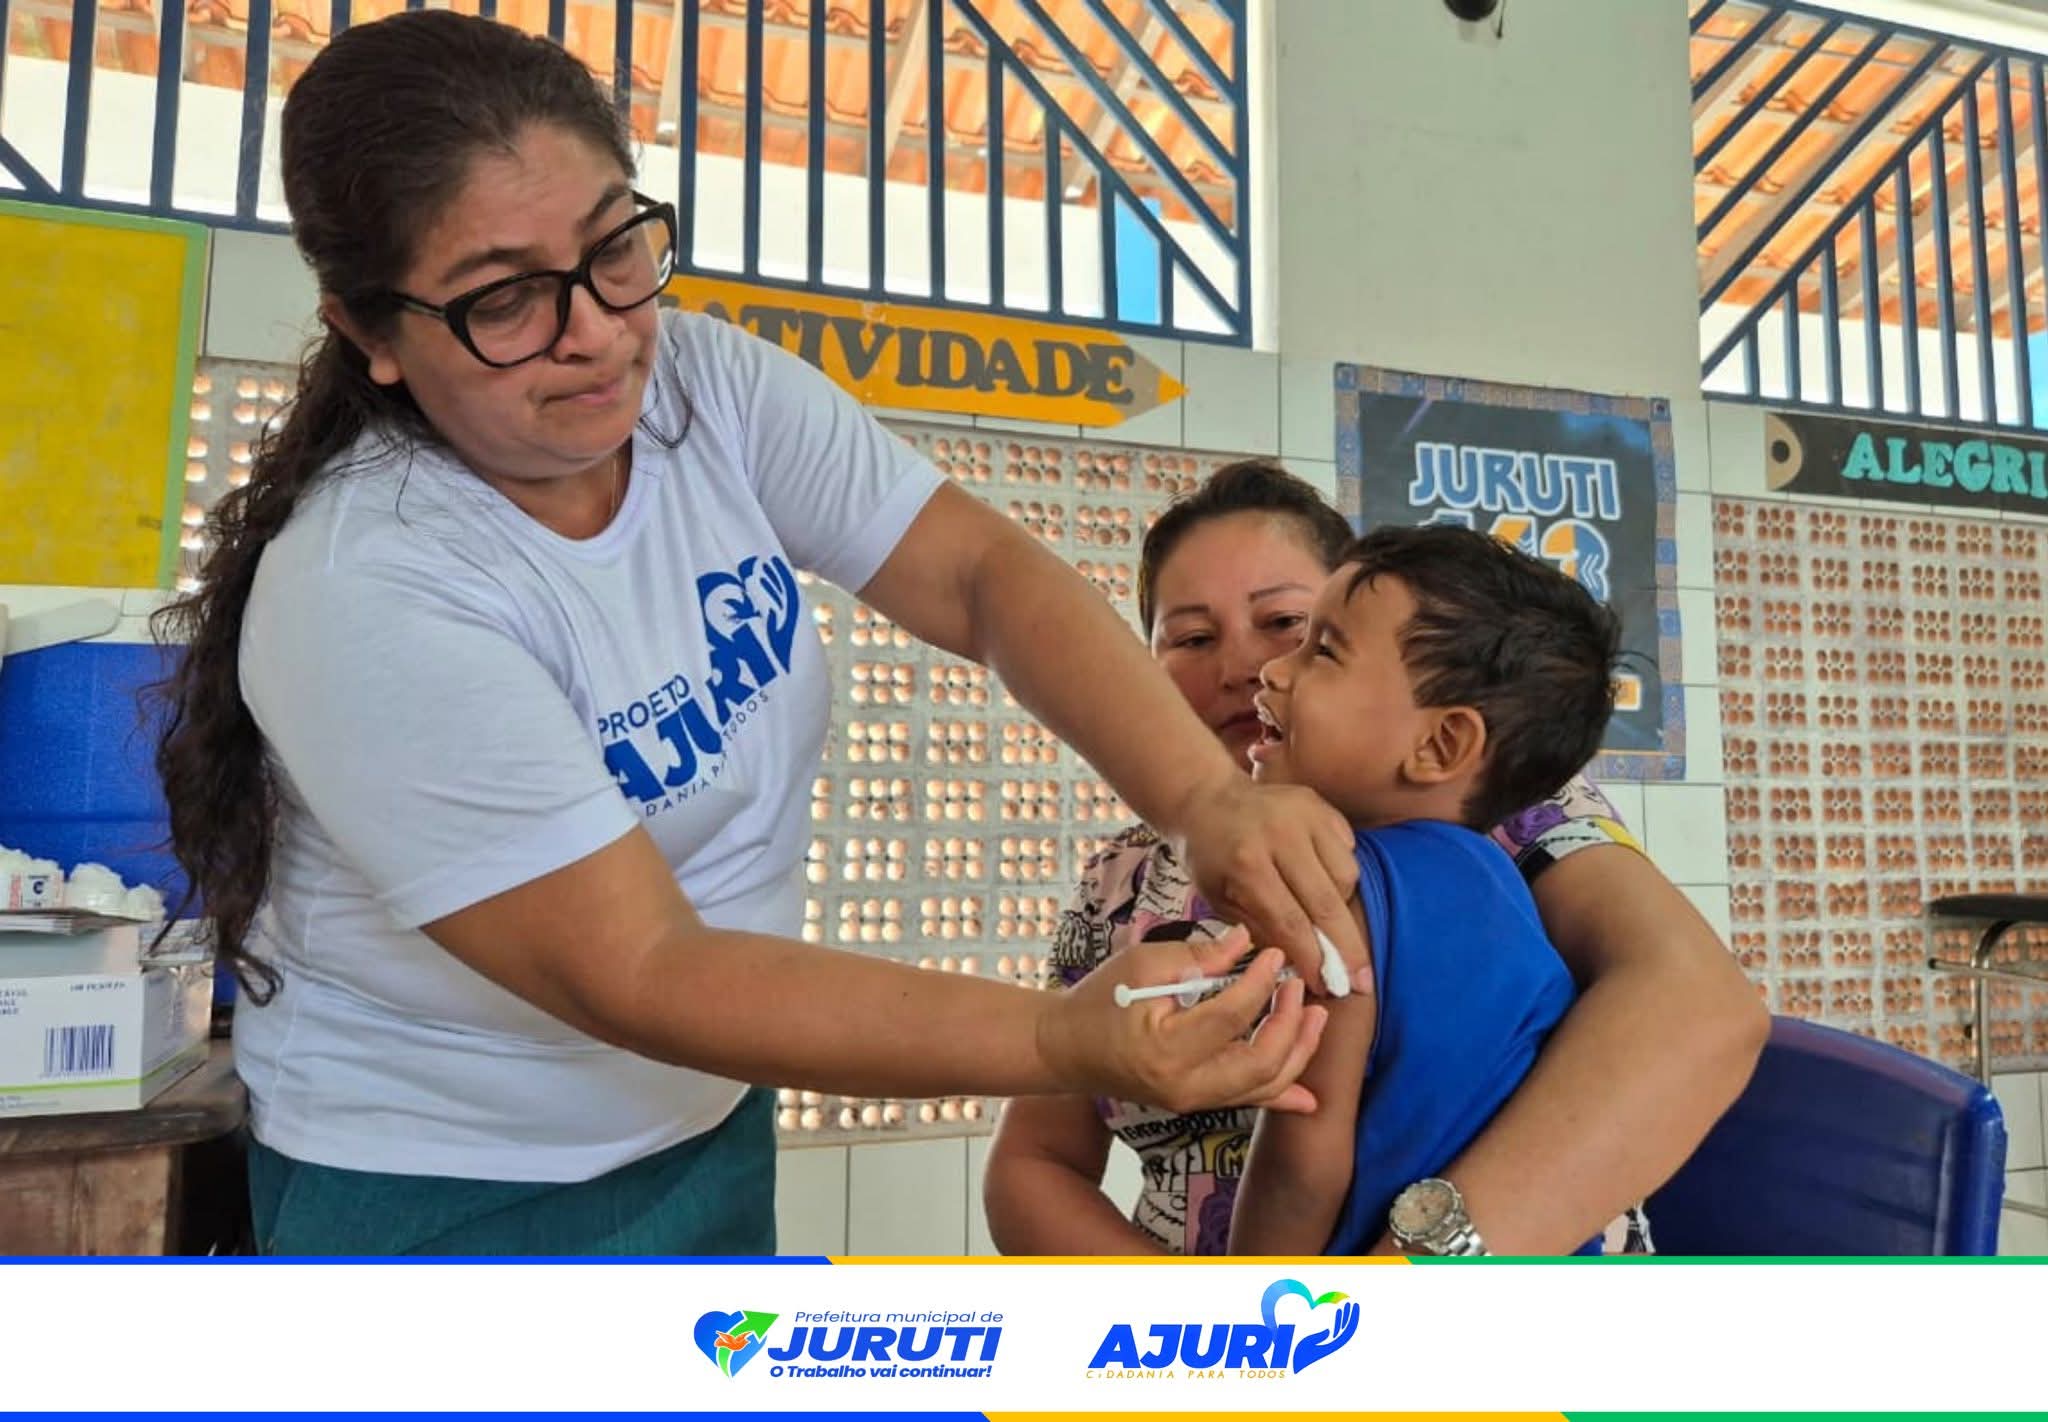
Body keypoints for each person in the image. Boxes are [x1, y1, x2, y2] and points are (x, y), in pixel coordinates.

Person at [149, 11, 1359, 1256]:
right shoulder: (373, 586)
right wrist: (1064, 1038)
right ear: (371, 333)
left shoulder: (701, 387)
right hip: (451, 1182)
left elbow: (980, 574)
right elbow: (643, 967)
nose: (595, 330)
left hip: (705, 1116)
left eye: (614, 247)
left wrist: (1206, 801)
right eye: (504, 299)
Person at [984, 462, 1768, 1256]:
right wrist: (1192, 1328)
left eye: (1293, 627)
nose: (1249, 668)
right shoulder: (1121, 879)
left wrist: (1398, 1284)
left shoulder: (1507, 807)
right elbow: (1033, 1161)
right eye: (1191, 638)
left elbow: (1699, 1005)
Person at [1226, 523, 1620, 1256]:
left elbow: (1303, 1168)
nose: (1272, 671)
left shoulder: (1341, 895)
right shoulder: (1508, 887)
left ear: (1440, 746)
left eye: (1323, 651)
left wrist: (1249, 1308)